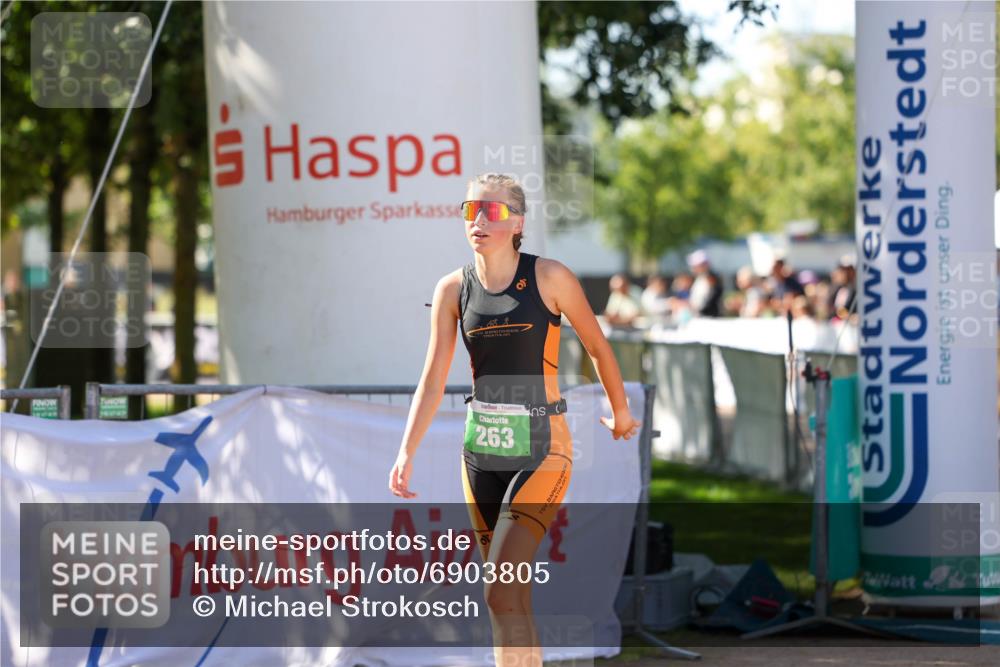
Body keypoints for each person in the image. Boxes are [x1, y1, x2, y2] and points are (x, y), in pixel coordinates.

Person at [388, 173, 641, 667]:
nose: (479, 220)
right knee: (510, 598)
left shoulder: (549, 277)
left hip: (544, 446)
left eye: (493, 211)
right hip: (480, 452)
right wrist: (406, 450)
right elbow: (433, 376)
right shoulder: (451, 289)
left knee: (498, 592)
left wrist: (622, 410)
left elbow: (597, 346)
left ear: (518, 222)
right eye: (470, 210)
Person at [686, 250, 723, 317]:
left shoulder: (711, 278)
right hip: (700, 315)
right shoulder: (700, 278)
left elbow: (711, 299)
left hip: (710, 316)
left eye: (696, 266)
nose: (693, 269)